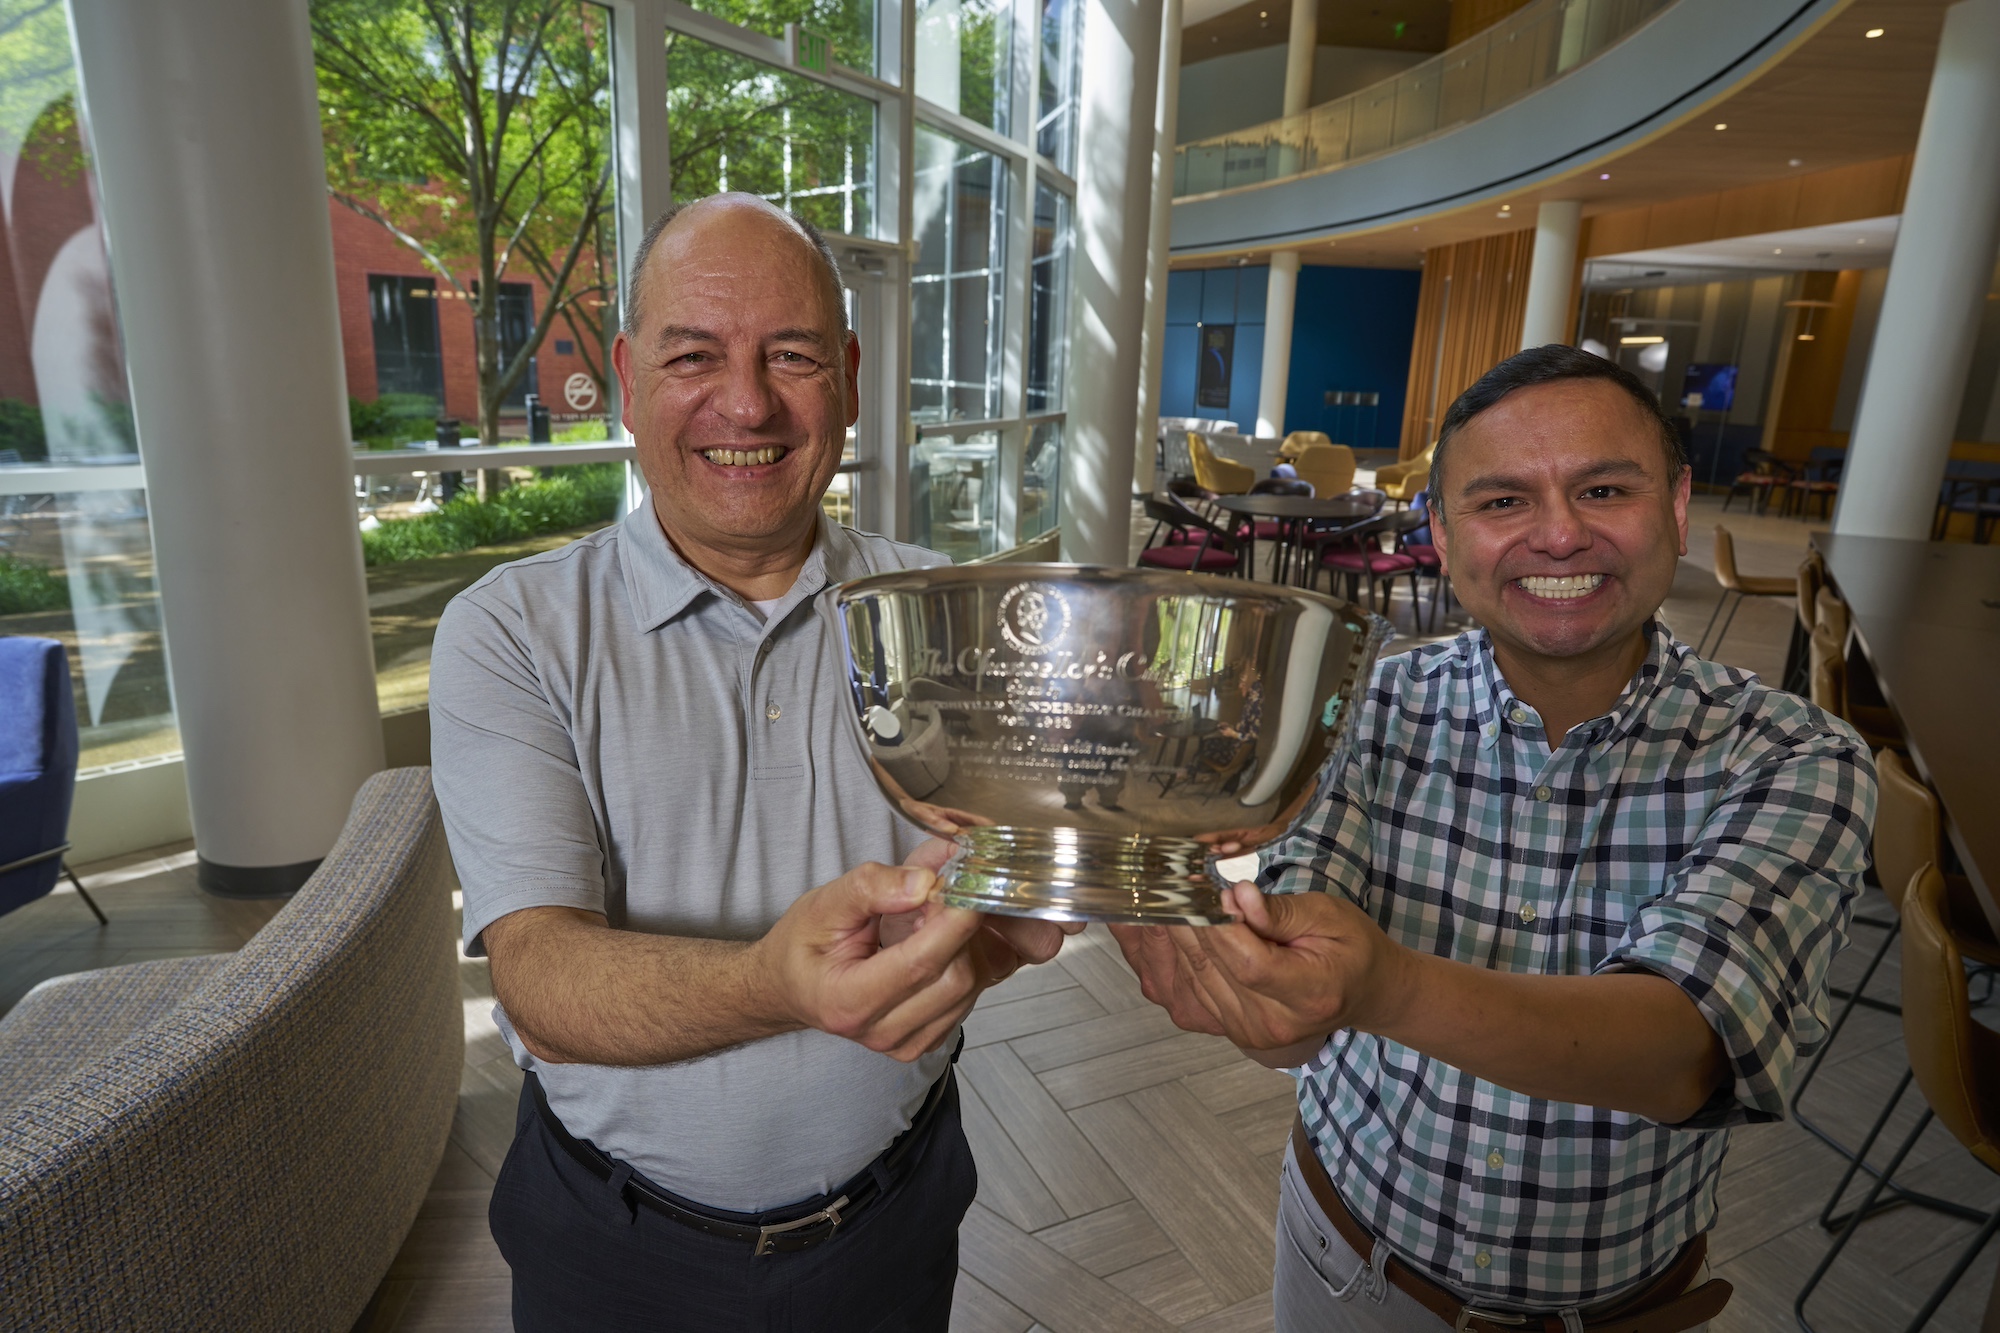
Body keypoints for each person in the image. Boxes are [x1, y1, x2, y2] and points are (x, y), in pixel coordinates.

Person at [1112, 344, 1875, 1333]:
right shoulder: (1360, 703)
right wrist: (1241, 971)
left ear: (1677, 506)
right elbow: (1293, 1011)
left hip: (1618, 1305)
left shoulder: (1793, 758)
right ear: (1437, 532)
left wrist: (1382, 985)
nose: (1557, 536)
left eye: (1601, 488)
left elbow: (1684, 1053)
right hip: (1344, 1262)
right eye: (1501, 502)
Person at [429, 194, 1066, 1331]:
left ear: (851, 375)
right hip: (613, 1248)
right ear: (626, 377)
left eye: (791, 354)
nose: (747, 402)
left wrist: (999, 928)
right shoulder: (510, 630)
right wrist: (773, 985)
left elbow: (992, 892)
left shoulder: (954, 618)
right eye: (693, 355)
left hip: (895, 1217)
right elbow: (539, 980)